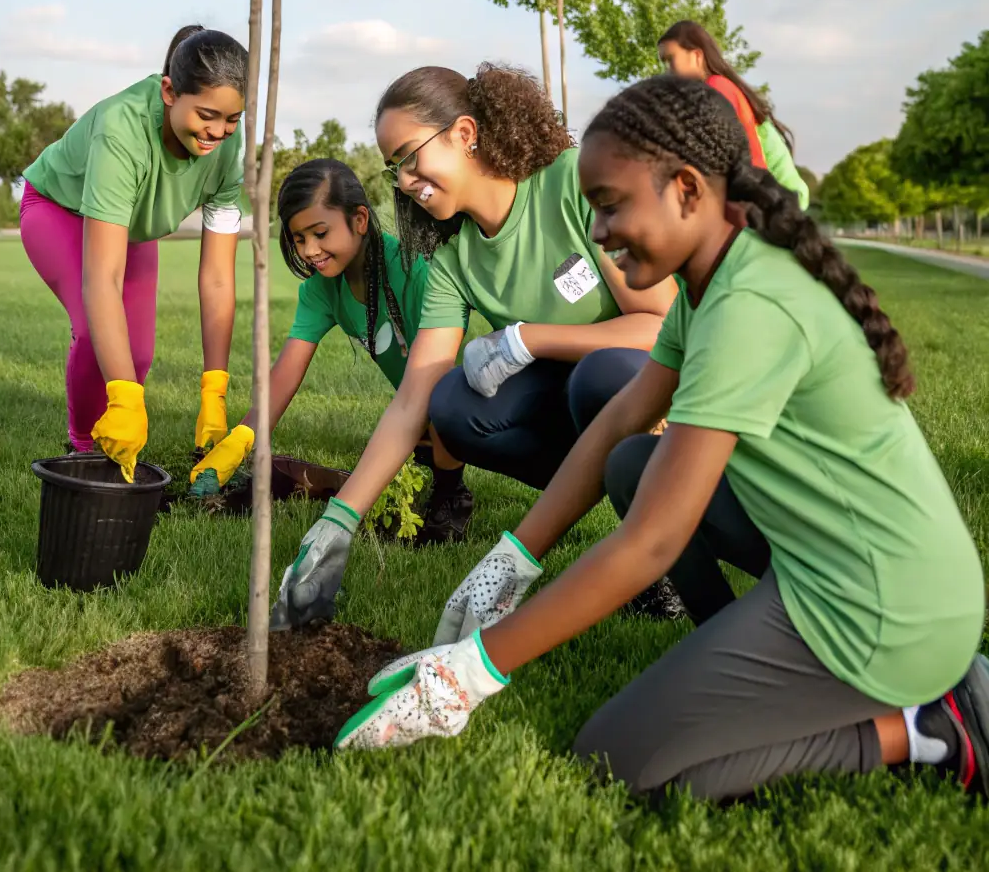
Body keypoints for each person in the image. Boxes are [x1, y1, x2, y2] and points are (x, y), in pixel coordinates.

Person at [334, 75, 989, 807]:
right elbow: (617, 423)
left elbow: (652, 539)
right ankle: (737, 662)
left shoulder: (748, 302)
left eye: (611, 208)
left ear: (684, 188)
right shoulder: (712, 281)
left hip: (884, 603)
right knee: (633, 460)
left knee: (619, 760)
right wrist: (511, 556)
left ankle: (933, 723)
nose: (602, 231)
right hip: (824, 562)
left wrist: (473, 669)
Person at [268, 63, 678, 632]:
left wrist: (527, 337)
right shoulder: (453, 257)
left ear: (464, 133)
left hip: (653, 389)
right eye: (395, 169)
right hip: (575, 399)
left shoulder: (570, 183)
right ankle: (614, 499)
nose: (406, 180)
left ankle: (663, 533)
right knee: (454, 407)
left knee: (599, 375)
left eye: (412, 156)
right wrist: (339, 522)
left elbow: (662, 327)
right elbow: (414, 398)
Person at [188, 158, 467, 541]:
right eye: (299, 238)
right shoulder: (321, 289)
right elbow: (286, 372)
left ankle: (454, 495)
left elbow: (441, 371)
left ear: (360, 221)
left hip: (458, 403)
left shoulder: (412, 269)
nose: (309, 250)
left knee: (442, 410)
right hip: (413, 414)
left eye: (320, 233)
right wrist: (244, 437)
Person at [20, 26, 248, 481]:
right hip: (59, 209)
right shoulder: (121, 127)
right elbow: (101, 279)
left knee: (137, 353)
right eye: (207, 115)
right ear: (168, 91)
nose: (218, 132)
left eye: (232, 120)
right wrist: (125, 400)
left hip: (134, 228)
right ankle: (85, 450)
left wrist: (214, 390)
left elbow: (219, 277)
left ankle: (114, 437)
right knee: (94, 331)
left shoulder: (226, 146)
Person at [658, 19, 810, 209]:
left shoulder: (717, 89)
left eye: (670, 60)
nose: (667, 71)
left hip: (776, 201)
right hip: (771, 197)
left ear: (696, 56)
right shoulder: (718, 89)